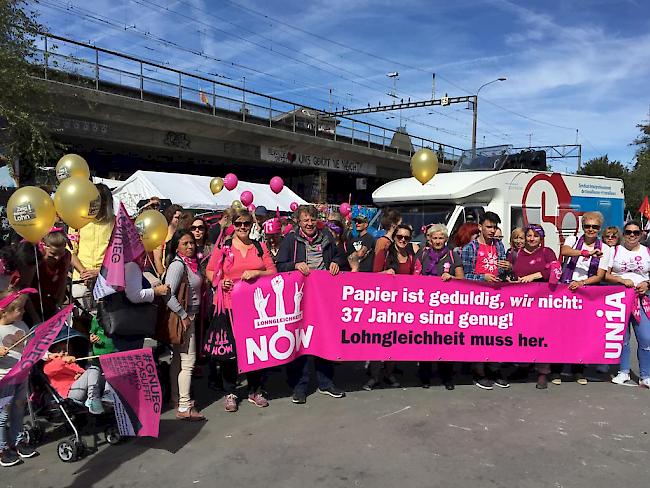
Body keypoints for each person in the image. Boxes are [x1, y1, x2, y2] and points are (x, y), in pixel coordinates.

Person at [205, 209, 277, 412]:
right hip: (229, 305)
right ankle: (231, 391)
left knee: (254, 349)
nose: (242, 227)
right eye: (238, 224)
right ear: (233, 226)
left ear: (251, 224)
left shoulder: (259, 246)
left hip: (255, 307)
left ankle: (255, 390)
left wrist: (257, 272)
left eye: (246, 223)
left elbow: (273, 272)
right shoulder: (224, 246)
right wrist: (221, 282)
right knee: (231, 352)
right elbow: (210, 272)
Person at [276, 205, 346, 404]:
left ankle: (326, 383)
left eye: (312, 220)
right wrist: (294, 265)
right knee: (301, 342)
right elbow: (279, 265)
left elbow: (339, 257)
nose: (309, 224)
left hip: (324, 298)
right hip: (299, 299)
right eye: (305, 220)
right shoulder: (290, 240)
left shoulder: (326, 237)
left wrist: (336, 263)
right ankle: (300, 387)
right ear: (299, 221)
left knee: (324, 340)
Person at [364, 224, 421, 391]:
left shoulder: (411, 255)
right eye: (400, 237)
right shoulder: (384, 253)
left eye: (407, 238)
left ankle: (389, 373)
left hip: (402, 306)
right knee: (378, 341)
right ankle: (374, 376)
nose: (403, 240)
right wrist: (385, 274)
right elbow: (372, 277)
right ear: (394, 237)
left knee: (395, 340)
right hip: (383, 304)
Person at [556, 212, 610, 385]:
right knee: (561, 331)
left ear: (599, 229)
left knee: (581, 333)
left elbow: (600, 275)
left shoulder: (605, 248)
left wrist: (582, 282)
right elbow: (564, 251)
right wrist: (586, 253)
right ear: (582, 227)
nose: (591, 230)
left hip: (586, 292)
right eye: (588, 226)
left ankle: (578, 370)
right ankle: (556, 369)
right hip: (565, 289)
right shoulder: (573, 240)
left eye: (594, 227)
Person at [461, 211, 510, 390]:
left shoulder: (500, 246)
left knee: (496, 336)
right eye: (488, 226)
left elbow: (504, 272)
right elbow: (464, 275)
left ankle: (494, 369)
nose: (492, 230)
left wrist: (507, 267)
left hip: (496, 298)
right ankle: (478, 371)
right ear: (480, 227)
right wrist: (483, 277)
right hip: (477, 298)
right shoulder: (469, 248)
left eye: (494, 227)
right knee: (479, 337)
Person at [164, 230, 205, 420]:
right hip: (185, 318)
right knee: (188, 362)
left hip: (189, 316)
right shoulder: (178, 266)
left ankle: (176, 398)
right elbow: (167, 294)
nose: (190, 246)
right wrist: (183, 315)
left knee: (179, 361)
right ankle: (184, 405)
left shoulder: (189, 264)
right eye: (185, 243)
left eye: (191, 243)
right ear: (176, 246)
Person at [510, 224, 557, 389]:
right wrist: (511, 280)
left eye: (535, 236)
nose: (531, 239)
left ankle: (543, 372)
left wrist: (534, 276)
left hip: (542, 299)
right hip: (521, 300)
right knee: (523, 334)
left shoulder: (546, 252)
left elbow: (556, 270)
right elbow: (512, 272)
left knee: (542, 335)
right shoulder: (516, 253)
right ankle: (523, 366)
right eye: (528, 235)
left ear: (540, 238)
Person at [417, 224, 463, 390]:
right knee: (426, 341)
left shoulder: (453, 255)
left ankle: (446, 376)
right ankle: (425, 375)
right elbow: (414, 276)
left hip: (446, 307)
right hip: (425, 306)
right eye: (434, 238)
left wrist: (451, 277)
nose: (437, 241)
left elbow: (461, 279)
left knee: (445, 341)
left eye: (440, 238)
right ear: (429, 239)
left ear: (445, 239)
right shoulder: (422, 254)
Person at [605, 220, 650, 388]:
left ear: (641, 234)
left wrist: (647, 284)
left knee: (646, 338)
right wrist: (621, 280)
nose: (632, 235)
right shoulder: (614, 250)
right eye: (629, 232)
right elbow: (606, 275)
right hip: (619, 299)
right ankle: (623, 371)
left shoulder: (647, 252)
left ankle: (645, 375)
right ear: (623, 234)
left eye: (636, 232)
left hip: (642, 300)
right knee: (622, 338)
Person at [0, 288, 38, 466]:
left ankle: (17, 440)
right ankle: (2, 448)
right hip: (4, 379)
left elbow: (32, 348)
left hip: (22, 375)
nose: (23, 312)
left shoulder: (22, 326)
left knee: (18, 410)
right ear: (4, 311)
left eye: (23, 308)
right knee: (2, 414)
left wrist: (47, 355)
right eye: (19, 309)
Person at [71, 183, 115, 311]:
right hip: (81, 280)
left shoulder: (116, 223)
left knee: (105, 323)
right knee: (80, 319)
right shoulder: (77, 221)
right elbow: (70, 251)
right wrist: (84, 272)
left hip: (106, 280)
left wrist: (99, 272)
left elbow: (119, 255)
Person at [43, 341, 107, 415]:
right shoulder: (49, 364)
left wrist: (80, 375)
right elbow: (48, 371)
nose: (62, 353)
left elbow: (85, 373)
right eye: (59, 351)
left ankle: (107, 398)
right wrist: (62, 360)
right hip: (70, 393)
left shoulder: (72, 363)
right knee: (94, 369)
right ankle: (93, 399)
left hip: (82, 389)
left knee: (105, 375)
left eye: (65, 350)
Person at [32, 231, 72, 321]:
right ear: (43, 248)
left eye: (60, 254)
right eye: (52, 254)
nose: (57, 258)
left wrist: (58, 305)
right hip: (32, 305)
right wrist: (35, 318)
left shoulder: (66, 257)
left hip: (51, 304)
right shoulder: (35, 260)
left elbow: (63, 281)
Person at [153, 204, 183, 276]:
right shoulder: (161, 235)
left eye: (181, 218)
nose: (179, 220)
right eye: (176, 217)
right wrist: (163, 274)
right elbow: (157, 259)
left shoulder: (182, 234)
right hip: (165, 273)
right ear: (170, 217)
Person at [372, 208, 402, 272]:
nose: (401, 228)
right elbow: (377, 268)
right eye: (400, 225)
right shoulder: (382, 241)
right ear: (393, 224)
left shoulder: (395, 241)